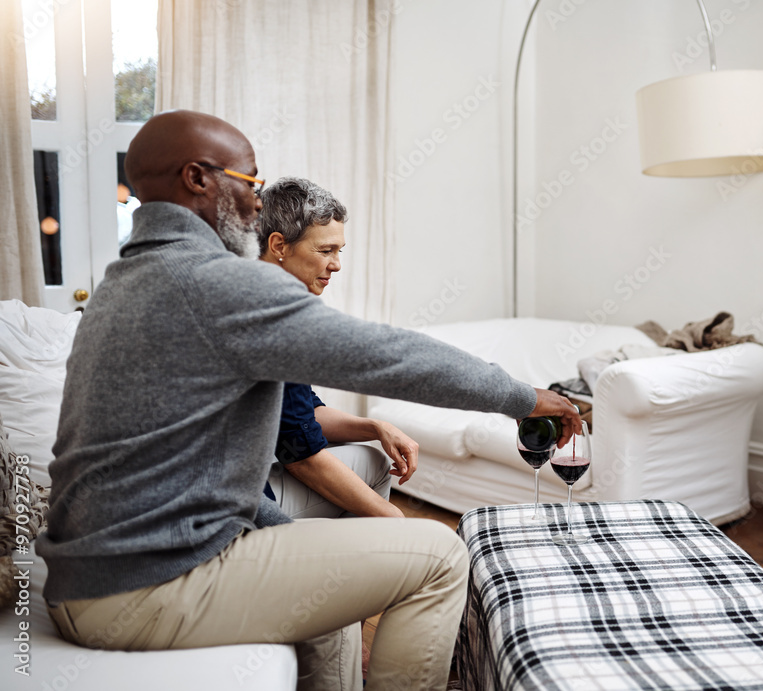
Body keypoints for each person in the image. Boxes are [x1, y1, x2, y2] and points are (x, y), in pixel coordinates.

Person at [36, 109, 580, 691]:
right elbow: (388, 356)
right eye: (249, 183)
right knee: (441, 558)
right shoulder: (213, 284)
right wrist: (522, 398)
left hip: (95, 578)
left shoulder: (126, 279)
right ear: (197, 178)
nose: (255, 200)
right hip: (142, 588)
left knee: (333, 582)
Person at [257, 177, 411, 521]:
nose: (337, 264)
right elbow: (301, 454)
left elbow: (302, 413)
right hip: (241, 505)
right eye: (325, 251)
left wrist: (375, 427)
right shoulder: (276, 316)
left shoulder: (258, 292)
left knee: (371, 457)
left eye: (339, 251)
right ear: (279, 245)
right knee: (380, 498)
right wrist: (394, 519)